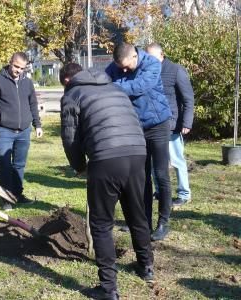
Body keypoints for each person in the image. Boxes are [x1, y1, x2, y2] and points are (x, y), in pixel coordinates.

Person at [60, 63, 154, 300]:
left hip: (106, 157)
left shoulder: (72, 94)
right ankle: (146, 267)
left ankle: (108, 288)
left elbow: (70, 138)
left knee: (101, 224)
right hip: (137, 152)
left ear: (67, 81)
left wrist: (80, 166)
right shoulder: (115, 88)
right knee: (137, 214)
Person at [106, 42, 172, 241]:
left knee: (160, 174)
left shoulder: (152, 64)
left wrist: (113, 86)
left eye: (127, 67)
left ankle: (163, 222)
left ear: (135, 56)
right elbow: (102, 79)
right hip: (135, 127)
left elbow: (139, 87)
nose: (124, 70)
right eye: (120, 68)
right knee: (140, 177)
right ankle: (143, 221)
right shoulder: (115, 68)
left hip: (158, 124)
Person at [0, 52, 43, 211]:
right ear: (10, 62)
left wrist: (37, 125)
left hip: (24, 131)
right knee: (4, 164)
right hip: (4, 130)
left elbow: (33, 104)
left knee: (19, 165)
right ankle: (6, 199)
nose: (18, 70)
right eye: (16, 66)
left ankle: (18, 194)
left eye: (22, 68)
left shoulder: (28, 82)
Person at [146, 43, 194, 206]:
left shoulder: (176, 70)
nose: (148, 60)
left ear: (162, 55)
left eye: (151, 57)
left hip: (172, 124)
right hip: (152, 124)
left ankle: (184, 193)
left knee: (176, 160)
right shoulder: (147, 71)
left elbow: (188, 98)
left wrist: (187, 122)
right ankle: (159, 191)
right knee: (155, 162)